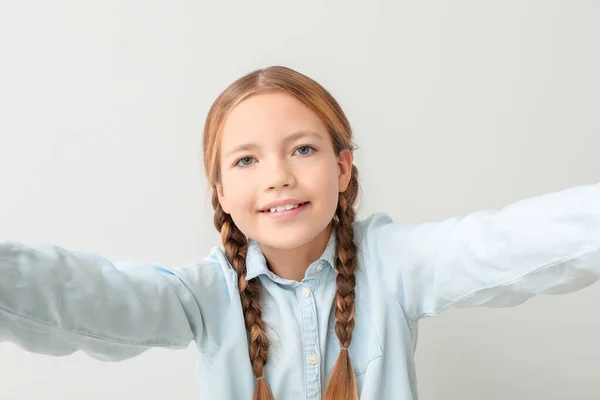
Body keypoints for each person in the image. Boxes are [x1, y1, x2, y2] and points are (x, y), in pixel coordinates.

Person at [1, 65, 599, 400]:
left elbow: (508, 244)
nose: (279, 177)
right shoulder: (201, 295)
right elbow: (81, 295)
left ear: (342, 169)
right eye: (246, 161)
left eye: (303, 149)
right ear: (221, 194)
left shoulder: (393, 264)